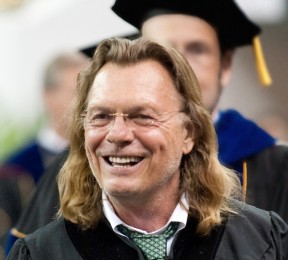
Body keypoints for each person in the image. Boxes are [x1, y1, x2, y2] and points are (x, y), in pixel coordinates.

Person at [1, 37, 287, 260]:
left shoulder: (263, 243)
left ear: (188, 133)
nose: (118, 134)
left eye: (142, 116)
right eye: (101, 116)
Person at [111, 0, 288, 220]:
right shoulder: (90, 164)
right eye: (161, 50)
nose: (180, 65)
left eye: (197, 50)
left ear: (224, 66)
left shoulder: (275, 167)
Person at [0, 52, 89, 260]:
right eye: (76, 92)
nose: (86, 103)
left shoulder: (107, 160)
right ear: (48, 96)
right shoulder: (15, 170)